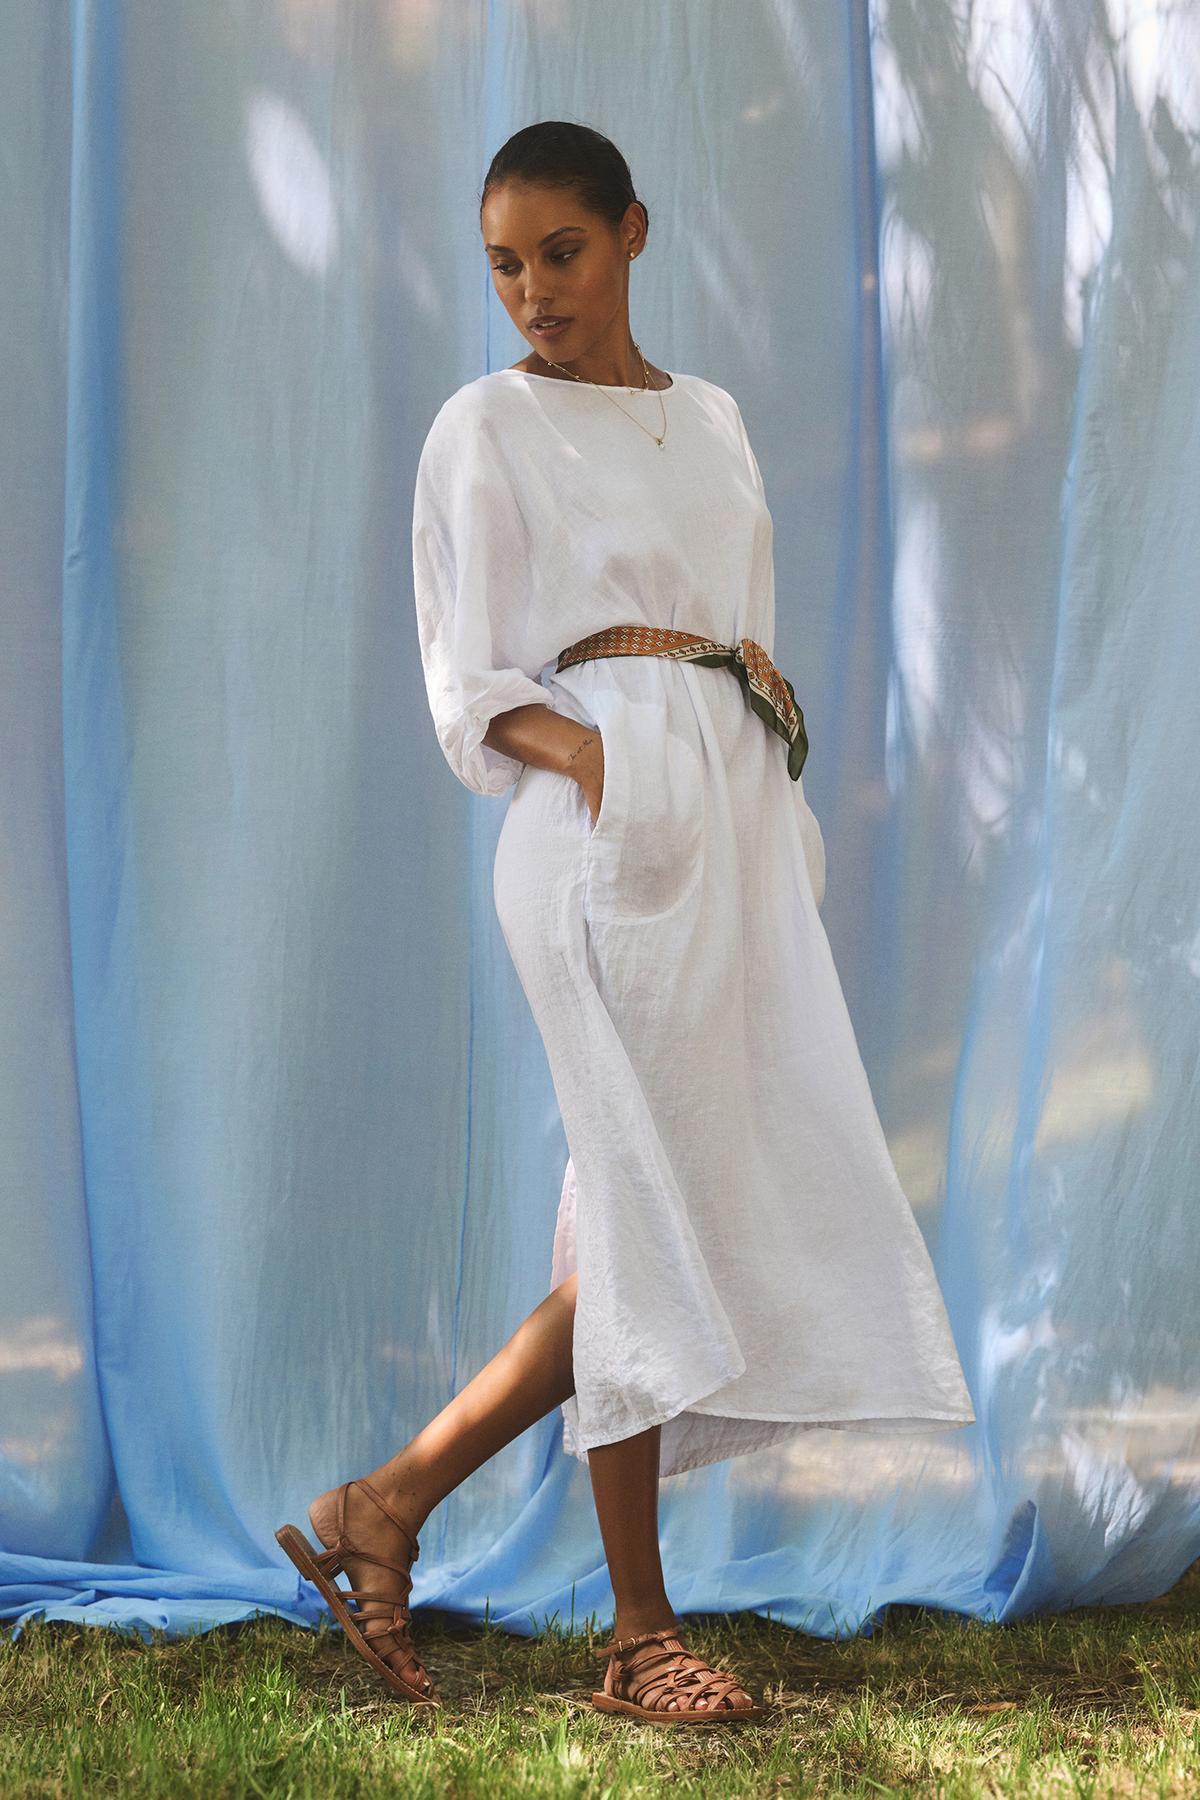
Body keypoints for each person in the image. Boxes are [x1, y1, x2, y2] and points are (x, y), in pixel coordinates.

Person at [277, 119, 975, 1727]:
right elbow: (467, 674)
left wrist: (755, 724)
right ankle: (636, 1633)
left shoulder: (712, 417)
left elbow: (732, 618)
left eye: (562, 253)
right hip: (599, 836)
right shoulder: (483, 426)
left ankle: (391, 1503)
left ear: (634, 234)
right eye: (506, 264)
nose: (534, 291)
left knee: (671, 1215)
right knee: (649, 1226)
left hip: (724, 828)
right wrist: (596, 754)